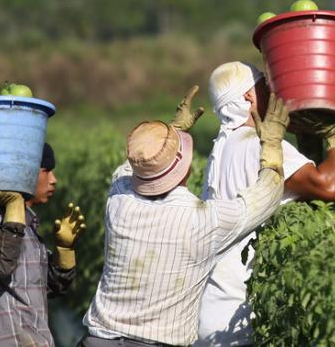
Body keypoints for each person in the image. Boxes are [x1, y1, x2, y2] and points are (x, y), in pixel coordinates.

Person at [79, 88, 291, 347]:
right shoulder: (203, 221)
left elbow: (134, 165)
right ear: (186, 168)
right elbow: (266, 197)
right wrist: (272, 145)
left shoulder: (119, 199)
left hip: (97, 340)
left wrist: (172, 133)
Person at [196, 61, 335, 346]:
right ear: (248, 96)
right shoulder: (255, 144)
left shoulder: (223, 146)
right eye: (263, 85)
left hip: (214, 309)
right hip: (238, 318)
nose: (271, 91)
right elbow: (328, 187)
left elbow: (297, 187)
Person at [0, 143, 86, 346]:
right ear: (24, 173)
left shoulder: (25, 224)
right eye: (46, 171)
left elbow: (43, 286)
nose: (53, 179)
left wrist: (64, 250)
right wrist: (14, 202)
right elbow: (1, 263)